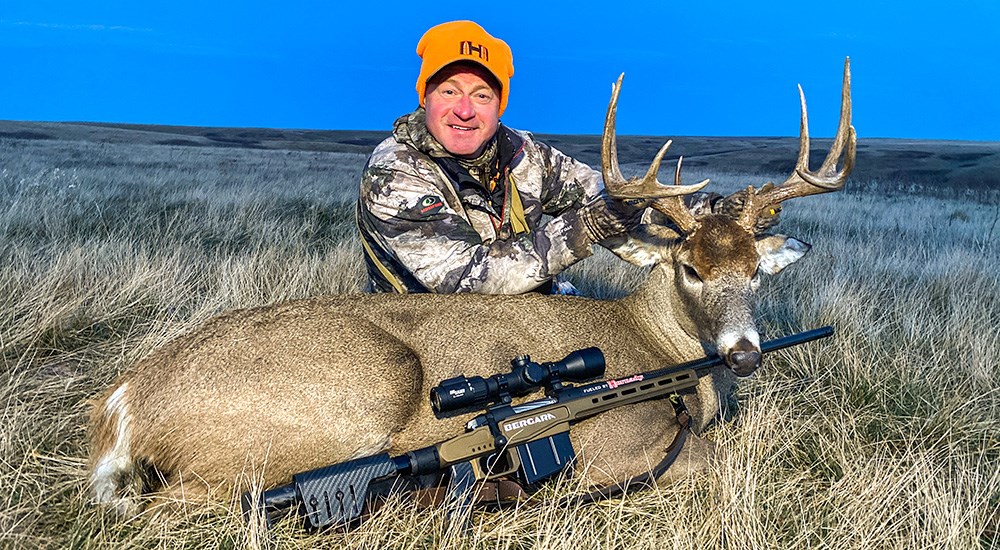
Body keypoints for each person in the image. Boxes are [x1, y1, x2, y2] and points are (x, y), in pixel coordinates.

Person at [356, 20, 700, 294]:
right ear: (425, 97)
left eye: (481, 95)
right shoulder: (394, 173)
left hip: (522, 318)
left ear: (499, 106)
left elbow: (601, 193)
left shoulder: (523, 153)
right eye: (449, 91)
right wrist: (585, 227)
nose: (464, 110)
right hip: (429, 331)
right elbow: (464, 279)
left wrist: (708, 211)